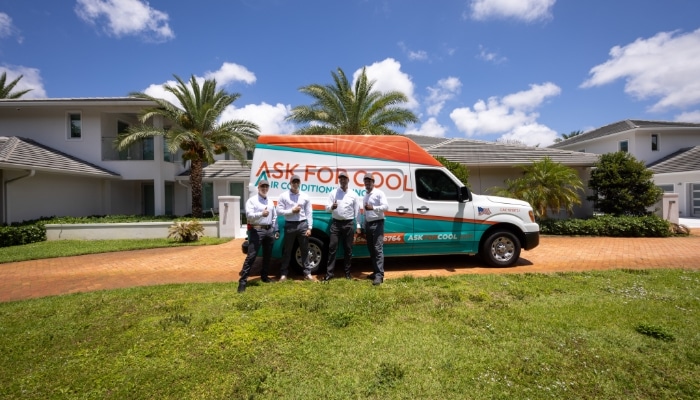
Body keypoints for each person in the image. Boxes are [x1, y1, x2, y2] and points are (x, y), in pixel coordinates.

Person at [238, 179, 277, 293]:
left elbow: (274, 216)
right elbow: (249, 216)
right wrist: (261, 214)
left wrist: (273, 228)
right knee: (251, 256)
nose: (264, 188)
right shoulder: (252, 201)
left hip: (269, 230)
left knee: (267, 255)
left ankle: (264, 277)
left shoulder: (270, 201)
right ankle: (243, 282)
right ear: (258, 188)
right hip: (257, 230)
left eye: (266, 186)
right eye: (262, 186)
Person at [323, 171, 362, 282]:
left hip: (349, 224)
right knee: (332, 248)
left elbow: (357, 211)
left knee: (348, 249)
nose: (342, 180)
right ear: (339, 181)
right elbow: (326, 208)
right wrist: (332, 207)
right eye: (341, 179)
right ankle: (329, 274)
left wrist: (358, 225)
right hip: (336, 224)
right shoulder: (333, 193)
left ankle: (347, 273)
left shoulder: (353, 194)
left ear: (348, 180)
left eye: (344, 179)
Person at [277, 174, 316, 281]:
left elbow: (309, 212)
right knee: (287, 250)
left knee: (305, 249)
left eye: (297, 182)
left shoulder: (305, 196)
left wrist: (310, 227)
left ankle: (307, 273)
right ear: (290, 183)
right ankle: (284, 274)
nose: (295, 184)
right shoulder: (283, 196)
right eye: (293, 182)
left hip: (302, 224)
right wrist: (291, 211)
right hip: (290, 224)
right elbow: (278, 211)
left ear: (299, 183)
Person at [362, 173, 388, 285]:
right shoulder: (365, 196)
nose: (367, 183)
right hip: (368, 225)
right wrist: (363, 226)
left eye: (369, 181)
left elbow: (386, 207)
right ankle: (376, 271)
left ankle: (379, 275)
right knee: (372, 250)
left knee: (378, 249)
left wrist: (373, 208)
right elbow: (365, 213)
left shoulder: (379, 193)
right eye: (366, 181)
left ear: (373, 182)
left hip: (377, 224)